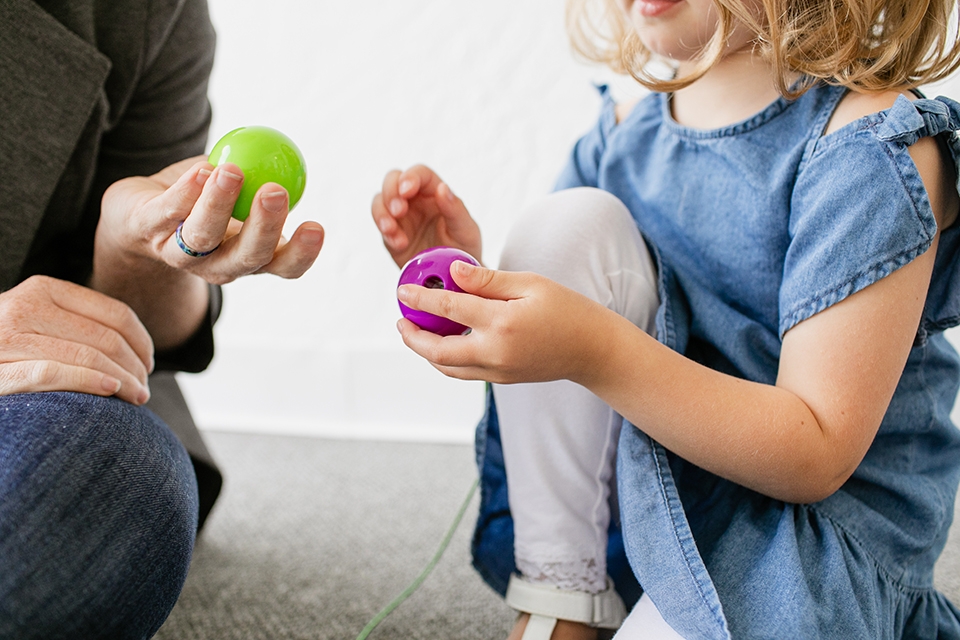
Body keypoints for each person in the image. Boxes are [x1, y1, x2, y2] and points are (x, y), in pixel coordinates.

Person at [372, 0, 960, 637]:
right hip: (656, 497)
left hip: (804, 544)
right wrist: (468, 282)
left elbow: (814, 454)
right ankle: (563, 596)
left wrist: (595, 351)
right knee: (560, 229)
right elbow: (564, 329)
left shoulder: (866, 145)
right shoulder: (624, 130)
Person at [0, 1, 324, 638]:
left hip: (34, 396)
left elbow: (146, 338)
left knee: (115, 474)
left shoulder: (149, 10)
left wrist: (130, 248)